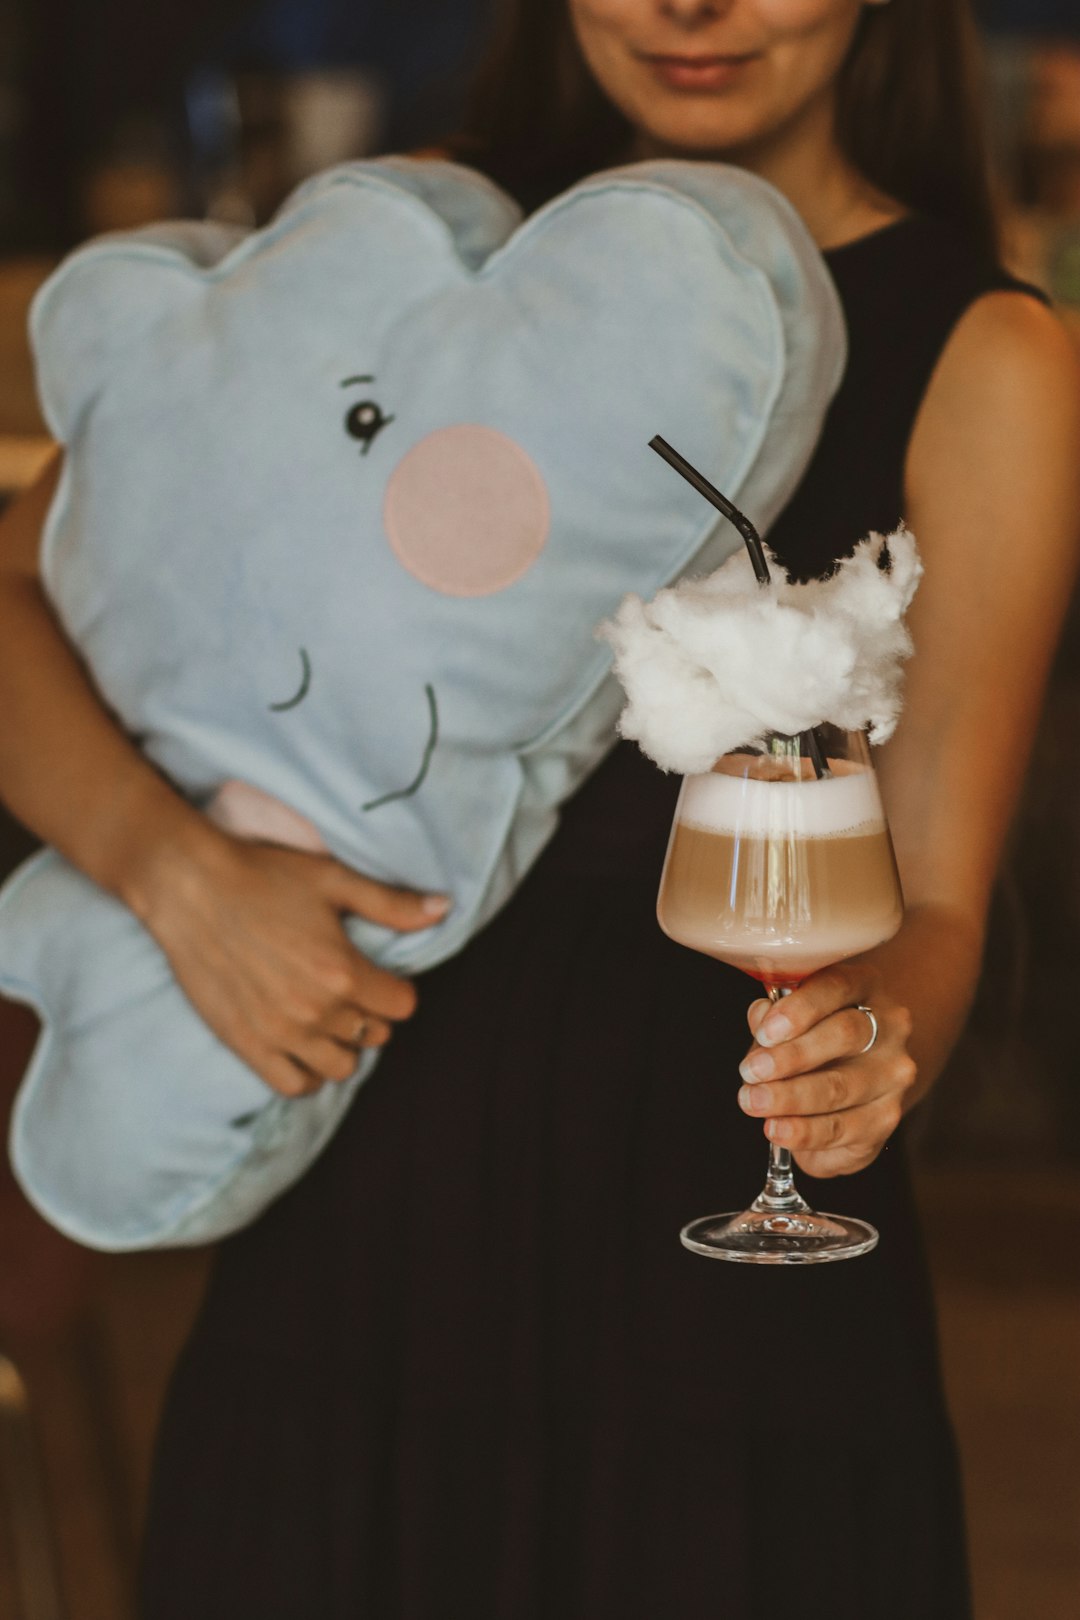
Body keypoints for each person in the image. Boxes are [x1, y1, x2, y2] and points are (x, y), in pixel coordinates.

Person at [0, 2, 1077, 1615]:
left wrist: (874, 1044)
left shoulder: (983, 353)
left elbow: (934, 909)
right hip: (361, 1238)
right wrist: (178, 875)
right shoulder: (414, 246)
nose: (690, 7)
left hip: (728, 1304)